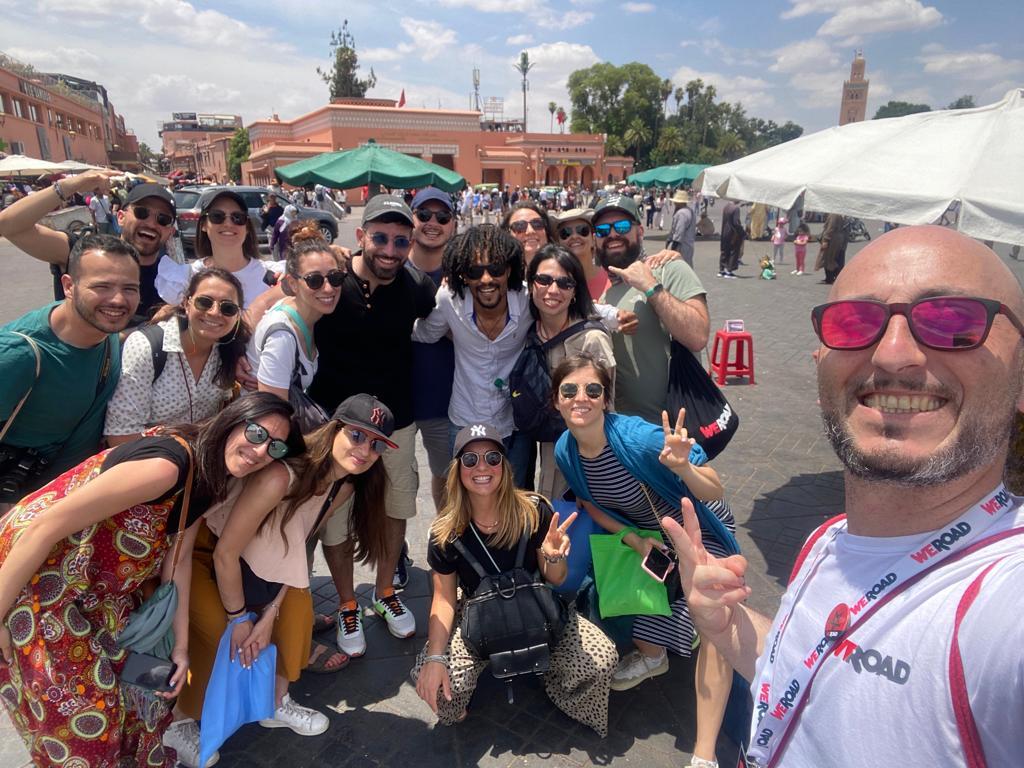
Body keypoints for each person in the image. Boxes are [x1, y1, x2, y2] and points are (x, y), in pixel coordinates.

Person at [667, 225, 1024, 767]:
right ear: (821, 363)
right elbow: (814, 670)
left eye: (953, 321)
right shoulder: (828, 538)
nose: (893, 354)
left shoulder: (1003, 608)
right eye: (854, 323)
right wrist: (731, 626)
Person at [0, 392, 302, 768]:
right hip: (38, 586)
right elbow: (42, 529)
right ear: (233, 421)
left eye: (274, 446)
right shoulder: (167, 467)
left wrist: (181, 647)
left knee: (146, 697)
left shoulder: (212, 475)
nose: (260, 451)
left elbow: (179, 559)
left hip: (98, 595)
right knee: (85, 725)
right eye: (256, 433)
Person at [167, 395, 394, 765]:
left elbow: (299, 547)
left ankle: (273, 702)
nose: (365, 450)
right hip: (208, 557)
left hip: (257, 566)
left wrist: (271, 613)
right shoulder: (280, 476)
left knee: (297, 613)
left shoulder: (343, 487)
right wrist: (240, 619)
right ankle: (179, 721)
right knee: (218, 631)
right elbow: (224, 554)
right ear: (335, 429)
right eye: (357, 435)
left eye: (376, 444)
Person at [552, 355, 739, 768]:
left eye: (593, 390)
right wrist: (635, 542)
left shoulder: (639, 439)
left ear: (605, 399)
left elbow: (714, 489)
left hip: (697, 527)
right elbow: (589, 504)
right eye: (569, 390)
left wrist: (684, 468)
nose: (581, 398)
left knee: (716, 624)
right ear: (556, 400)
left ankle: (704, 753)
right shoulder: (567, 450)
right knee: (629, 588)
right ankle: (655, 657)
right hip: (649, 536)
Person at [412, 423, 618, 736]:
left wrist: (553, 557)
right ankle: (465, 694)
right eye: (470, 459)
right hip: (478, 617)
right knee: (436, 684)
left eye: (492, 458)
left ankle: (556, 684)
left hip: (537, 609)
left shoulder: (534, 511)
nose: (482, 467)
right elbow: (443, 598)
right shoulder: (445, 533)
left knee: (601, 660)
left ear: (505, 467)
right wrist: (436, 657)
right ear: (457, 470)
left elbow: (555, 579)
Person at [307, 196, 436, 657]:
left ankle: (384, 592)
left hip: (395, 421)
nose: (390, 249)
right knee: (335, 518)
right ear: (360, 237)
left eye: (401, 241)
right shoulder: (330, 279)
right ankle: (347, 602)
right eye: (380, 237)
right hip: (336, 425)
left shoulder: (417, 286)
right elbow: (281, 297)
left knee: (395, 507)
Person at [0, 234, 139, 497]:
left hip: (69, 494)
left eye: (130, 288)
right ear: (68, 286)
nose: (118, 300)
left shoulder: (106, 337)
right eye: (102, 286)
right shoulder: (19, 354)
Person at [412, 225, 535, 487]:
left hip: (515, 422)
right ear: (463, 275)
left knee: (516, 497)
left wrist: (615, 317)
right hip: (465, 419)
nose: (486, 279)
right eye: (475, 271)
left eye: (496, 269)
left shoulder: (527, 299)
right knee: (467, 498)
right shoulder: (449, 299)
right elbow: (425, 333)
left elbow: (568, 310)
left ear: (509, 270)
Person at [592, 194, 710, 424]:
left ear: (640, 231)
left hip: (674, 428)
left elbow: (698, 336)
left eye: (622, 226)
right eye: (603, 230)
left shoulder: (669, 269)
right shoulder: (607, 295)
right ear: (596, 240)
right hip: (624, 429)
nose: (612, 235)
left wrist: (650, 287)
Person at [0, 171, 176, 321]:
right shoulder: (85, 254)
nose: (151, 224)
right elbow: (9, 226)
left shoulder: (174, 279)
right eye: (142, 212)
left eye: (163, 219)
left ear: (170, 231)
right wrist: (70, 186)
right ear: (120, 217)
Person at [105, 267, 248, 445]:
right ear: (186, 304)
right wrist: (179, 453)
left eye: (228, 308)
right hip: (150, 456)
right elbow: (120, 436)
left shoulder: (228, 352)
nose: (214, 312)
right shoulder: (147, 347)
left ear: (237, 315)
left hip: (203, 452)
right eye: (204, 302)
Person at [525, 244, 615, 500]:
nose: (553, 290)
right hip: (548, 451)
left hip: (587, 459)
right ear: (531, 284)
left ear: (575, 291)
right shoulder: (530, 332)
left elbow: (607, 409)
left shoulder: (592, 339)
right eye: (544, 280)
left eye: (565, 283)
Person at [409, 188, 458, 517]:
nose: (433, 223)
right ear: (411, 219)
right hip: (394, 399)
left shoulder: (463, 274)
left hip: (444, 399)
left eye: (442, 217)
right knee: (390, 483)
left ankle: (445, 538)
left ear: (453, 224)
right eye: (424, 215)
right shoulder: (387, 265)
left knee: (446, 478)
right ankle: (393, 545)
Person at [247, 237, 342, 406]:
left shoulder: (306, 314)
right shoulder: (281, 337)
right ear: (293, 284)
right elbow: (273, 413)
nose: (328, 288)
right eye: (314, 280)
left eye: (335, 277)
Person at [157, 189, 282, 309]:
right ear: (203, 225)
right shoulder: (184, 280)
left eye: (237, 217)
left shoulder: (274, 275)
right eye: (217, 216)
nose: (228, 223)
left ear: (247, 227)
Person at [501, 200, 554, 267]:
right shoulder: (497, 271)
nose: (530, 231)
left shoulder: (564, 268)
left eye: (537, 223)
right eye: (519, 226)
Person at [667, 190, 697, 269]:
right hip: (689, 244)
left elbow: (679, 232)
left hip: (681, 246)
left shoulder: (681, 213)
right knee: (687, 265)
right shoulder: (690, 211)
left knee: (679, 267)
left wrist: (673, 247)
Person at [814, 212, 848, 284]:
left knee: (828, 258)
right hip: (839, 238)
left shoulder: (834, 215)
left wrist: (826, 239)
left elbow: (830, 228)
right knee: (835, 258)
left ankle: (830, 278)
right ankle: (832, 277)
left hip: (833, 239)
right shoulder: (840, 214)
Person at [719, 199, 743, 278]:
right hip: (733, 233)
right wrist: (741, 231)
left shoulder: (726, 206)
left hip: (724, 231)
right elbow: (736, 222)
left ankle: (722, 270)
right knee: (733, 251)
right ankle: (729, 271)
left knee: (724, 250)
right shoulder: (736, 208)